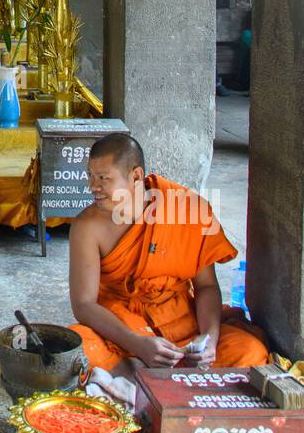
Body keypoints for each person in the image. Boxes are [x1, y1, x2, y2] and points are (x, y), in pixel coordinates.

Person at [69, 132, 269, 381]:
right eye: (90, 175)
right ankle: (151, 376)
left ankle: (141, 382)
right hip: (121, 327)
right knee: (77, 352)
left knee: (249, 351)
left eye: (103, 178)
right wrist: (137, 343)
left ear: (136, 176)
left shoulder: (188, 209)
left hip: (183, 323)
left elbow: (206, 286)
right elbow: (84, 305)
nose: (93, 187)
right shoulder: (87, 226)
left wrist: (209, 340)